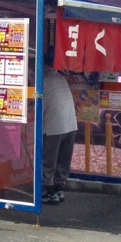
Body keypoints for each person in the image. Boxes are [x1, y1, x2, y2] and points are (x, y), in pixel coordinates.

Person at [42, 64, 78, 205]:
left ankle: (47, 191)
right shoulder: (60, 78)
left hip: (53, 127)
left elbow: (39, 104)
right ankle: (58, 189)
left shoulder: (42, 80)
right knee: (63, 160)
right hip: (70, 124)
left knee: (48, 159)